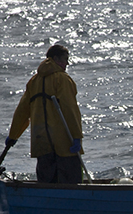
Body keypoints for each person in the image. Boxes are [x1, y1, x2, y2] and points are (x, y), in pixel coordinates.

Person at [5, 45, 84, 184]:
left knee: (47, 183)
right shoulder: (62, 79)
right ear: (55, 59)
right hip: (64, 143)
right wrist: (77, 136)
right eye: (65, 59)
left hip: (41, 142)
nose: (67, 64)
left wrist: (13, 135)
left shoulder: (34, 81)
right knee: (72, 181)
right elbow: (70, 109)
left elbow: (22, 111)